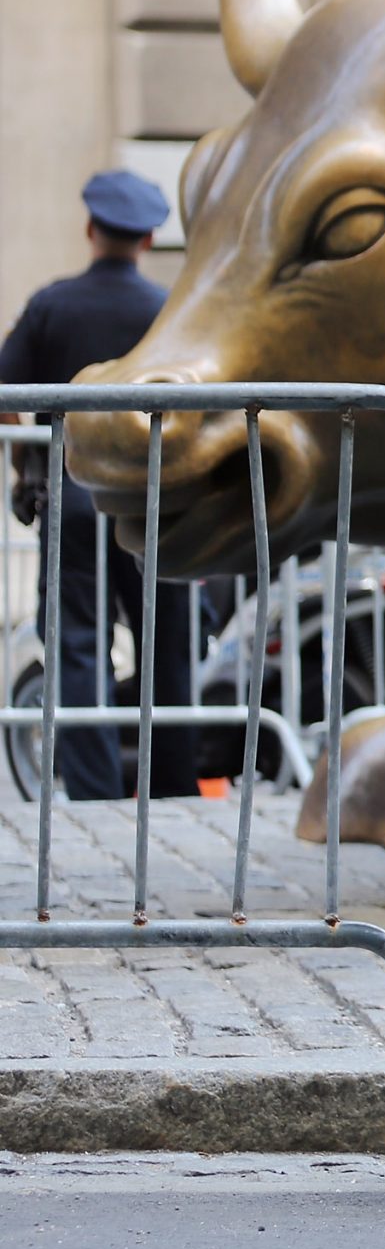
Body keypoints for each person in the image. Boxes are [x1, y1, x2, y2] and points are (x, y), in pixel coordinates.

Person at [0, 170, 202, 801]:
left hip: (76, 498)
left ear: (91, 230)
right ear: (147, 238)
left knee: (78, 644)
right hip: (157, 503)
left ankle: (92, 788)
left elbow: (6, 396)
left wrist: (29, 463)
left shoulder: (52, 305)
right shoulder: (168, 310)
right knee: (166, 642)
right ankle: (170, 782)